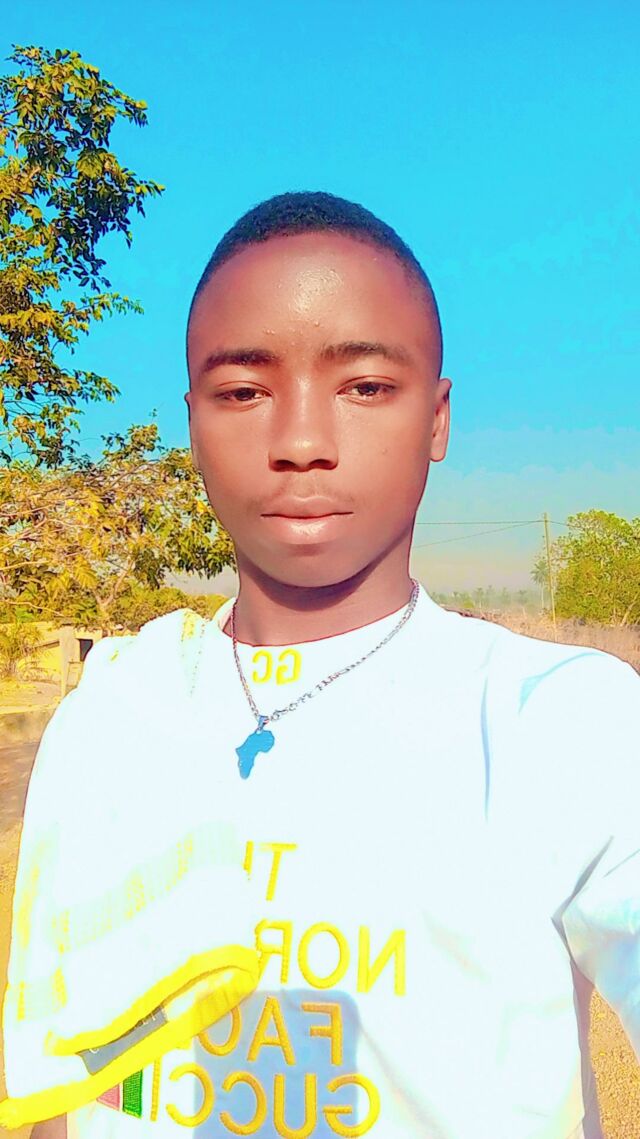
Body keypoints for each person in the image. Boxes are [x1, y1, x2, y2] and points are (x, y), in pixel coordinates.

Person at [4, 190, 640, 1139]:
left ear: (437, 418)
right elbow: (63, 1087)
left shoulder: (564, 724)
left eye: (366, 387)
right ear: (192, 420)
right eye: (244, 391)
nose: (301, 442)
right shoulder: (114, 717)